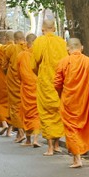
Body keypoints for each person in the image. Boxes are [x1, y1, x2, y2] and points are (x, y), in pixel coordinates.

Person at [53, 38, 89, 168]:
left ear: (68, 49)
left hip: (69, 101)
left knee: (71, 128)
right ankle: (81, 150)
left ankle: (77, 158)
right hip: (86, 101)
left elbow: (57, 83)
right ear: (81, 48)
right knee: (85, 125)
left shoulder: (64, 62)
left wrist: (61, 95)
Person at [31, 13, 67, 156]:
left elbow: (34, 64)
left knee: (46, 114)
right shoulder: (62, 43)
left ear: (43, 29)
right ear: (54, 28)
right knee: (57, 113)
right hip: (59, 84)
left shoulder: (39, 42)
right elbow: (65, 63)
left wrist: (39, 73)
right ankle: (57, 144)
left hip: (46, 83)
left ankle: (50, 148)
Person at [14, 33, 42, 146]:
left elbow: (18, 73)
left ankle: (28, 140)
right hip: (37, 86)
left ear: (27, 42)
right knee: (36, 113)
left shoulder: (21, 55)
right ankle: (35, 139)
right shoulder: (39, 54)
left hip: (26, 87)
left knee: (26, 112)